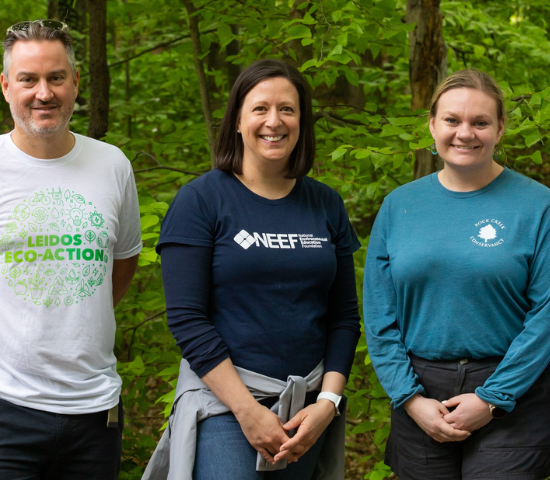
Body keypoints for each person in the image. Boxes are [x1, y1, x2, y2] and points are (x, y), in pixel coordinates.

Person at [143, 59, 361, 480]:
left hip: (307, 411)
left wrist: (327, 404)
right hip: (224, 407)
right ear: (238, 121)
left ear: (302, 122)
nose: (274, 121)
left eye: (288, 109)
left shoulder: (326, 204)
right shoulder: (200, 201)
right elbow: (187, 319)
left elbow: (344, 317)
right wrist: (248, 412)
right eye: (260, 108)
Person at [363, 68, 550, 480]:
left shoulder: (538, 205)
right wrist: (409, 398)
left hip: (511, 386)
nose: (465, 133)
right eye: (452, 120)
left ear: (500, 129)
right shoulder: (399, 206)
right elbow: (379, 316)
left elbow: (547, 314)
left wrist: (493, 398)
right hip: (420, 388)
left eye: (480, 122)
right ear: (432, 125)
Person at [0, 20, 142, 479]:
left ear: (76, 82)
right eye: (28, 79)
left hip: (95, 409)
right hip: (7, 407)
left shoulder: (112, 164)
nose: (44, 93)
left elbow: (122, 265)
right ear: (6, 86)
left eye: (56, 78)